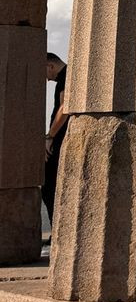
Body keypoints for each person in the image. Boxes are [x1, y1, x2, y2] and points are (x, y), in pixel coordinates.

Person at [42, 53, 70, 232]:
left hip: (59, 140)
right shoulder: (66, 76)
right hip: (59, 139)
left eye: (44, 71)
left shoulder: (65, 76)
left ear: (50, 65)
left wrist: (49, 137)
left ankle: (58, 231)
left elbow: (64, 107)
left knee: (49, 186)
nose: (45, 78)